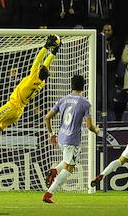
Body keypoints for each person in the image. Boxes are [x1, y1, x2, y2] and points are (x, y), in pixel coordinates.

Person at [41, 74, 100, 204]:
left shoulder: (63, 100)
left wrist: (51, 134)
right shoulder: (85, 103)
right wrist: (97, 130)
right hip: (72, 140)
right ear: (83, 86)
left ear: (71, 85)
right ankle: (48, 194)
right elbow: (89, 126)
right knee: (70, 168)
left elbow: (47, 117)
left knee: (66, 161)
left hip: (61, 138)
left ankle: (54, 171)